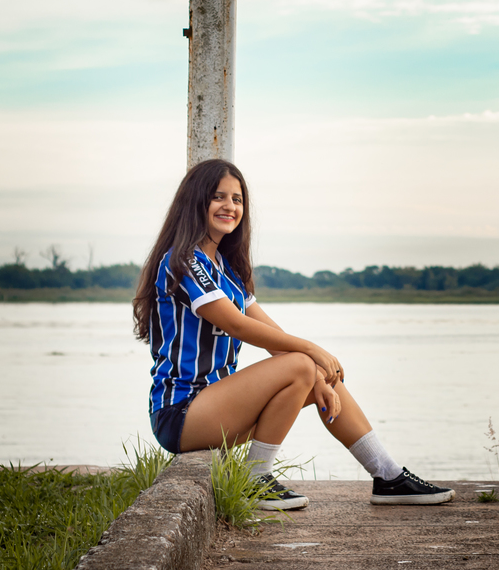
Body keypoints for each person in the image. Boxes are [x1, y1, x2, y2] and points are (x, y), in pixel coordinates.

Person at [132, 158, 454, 510]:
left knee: (316, 372)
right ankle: (256, 479)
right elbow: (237, 325)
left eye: (237, 199)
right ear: (195, 202)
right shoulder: (184, 261)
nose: (230, 206)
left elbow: (272, 335)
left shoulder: (226, 271)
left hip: (219, 409)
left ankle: (388, 476)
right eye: (218, 197)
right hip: (182, 412)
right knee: (304, 363)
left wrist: (317, 378)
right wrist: (312, 351)